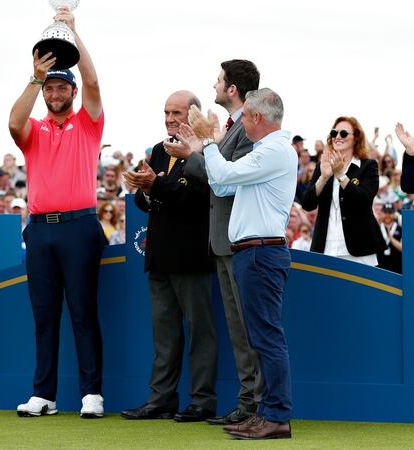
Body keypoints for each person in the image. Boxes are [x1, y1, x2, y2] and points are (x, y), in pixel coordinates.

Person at [174, 87, 296, 440]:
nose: (241, 123)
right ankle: (267, 414)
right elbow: (223, 186)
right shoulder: (266, 151)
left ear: (257, 117)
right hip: (254, 252)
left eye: (245, 117)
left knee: (266, 338)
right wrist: (205, 148)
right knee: (261, 338)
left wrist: (209, 144)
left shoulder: (274, 151)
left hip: (261, 252)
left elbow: (223, 177)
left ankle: (275, 417)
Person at [8, 6, 106, 418]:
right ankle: (43, 394)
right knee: (44, 315)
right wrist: (34, 75)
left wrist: (72, 31)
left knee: (83, 311)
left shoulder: (88, 123)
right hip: (41, 230)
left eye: (60, 88)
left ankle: (91, 395)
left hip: (80, 226)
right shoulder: (35, 129)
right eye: (49, 89)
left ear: (70, 92)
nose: (54, 93)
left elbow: (93, 80)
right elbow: (14, 121)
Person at [167, 59, 263, 426]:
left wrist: (194, 152)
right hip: (224, 240)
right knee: (238, 329)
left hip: (237, 239)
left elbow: (222, 180)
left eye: (219, 81)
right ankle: (246, 403)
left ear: (233, 89)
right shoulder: (232, 129)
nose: (214, 86)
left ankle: (254, 405)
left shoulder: (246, 130)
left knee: (246, 327)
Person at [120, 90, 218, 423]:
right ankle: (161, 400)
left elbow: (195, 196)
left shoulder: (205, 153)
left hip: (191, 257)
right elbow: (150, 196)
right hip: (159, 255)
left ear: (193, 116)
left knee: (200, 333)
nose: (170, 119)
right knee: (164, 336)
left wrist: (154, 186)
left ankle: (202, 401)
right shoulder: (160, 151)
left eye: (176, 112)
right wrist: (143, 189)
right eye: (166, 112)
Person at [301, 117, 386, 265]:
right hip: (325, 249)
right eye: (334, 133)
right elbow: (307, 203)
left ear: (356, 138)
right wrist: (323, 177)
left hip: (359, 250)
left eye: (344, 133)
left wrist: (341, 175)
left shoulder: (368, 166)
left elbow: (363, 200)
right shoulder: (323, 165)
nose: (338, 137)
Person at [376, 203, 403, 274]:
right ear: (381, 213)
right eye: (385, 212)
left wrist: (391, 238)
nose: (387, 215)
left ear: (394, 214)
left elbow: (403, 248)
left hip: (397, 266)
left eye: (390, 212)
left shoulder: (400, 229)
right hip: (380, 266)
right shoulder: (376, 229)